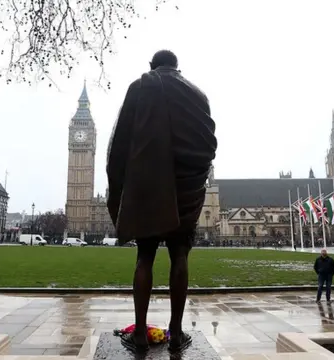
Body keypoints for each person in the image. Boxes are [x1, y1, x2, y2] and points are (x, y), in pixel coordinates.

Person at [107, 50, 217, 353]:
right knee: (180, 258)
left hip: (150, 190)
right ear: (177, 67)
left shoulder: (141, 86)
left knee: (145, 258)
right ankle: (177, 332)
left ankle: (140, 332)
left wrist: (119, 187)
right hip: (187, 194)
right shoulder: (199, 96)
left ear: (152, 66)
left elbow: (120, 144)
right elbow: (208, 146)